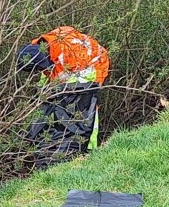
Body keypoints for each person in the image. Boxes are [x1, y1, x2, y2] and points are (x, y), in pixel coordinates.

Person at [18, 26, 110, 161]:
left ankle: (88, 148)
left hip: (92, 65)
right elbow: (48, 74)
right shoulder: (40, 47)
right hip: (75, 63)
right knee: (54, 100)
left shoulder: (66, 52)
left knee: (84, 106)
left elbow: (64, 80)